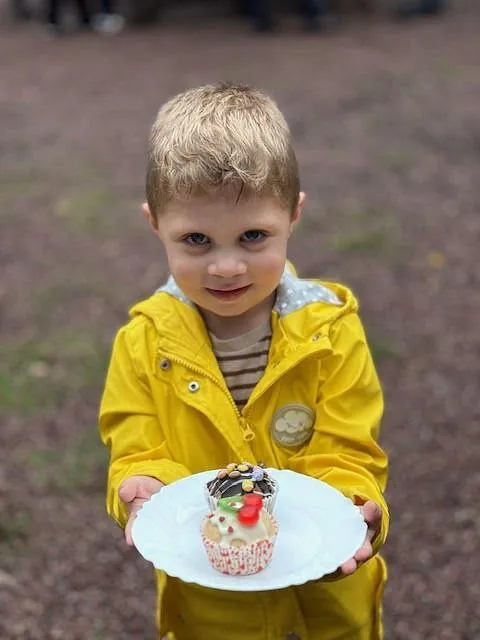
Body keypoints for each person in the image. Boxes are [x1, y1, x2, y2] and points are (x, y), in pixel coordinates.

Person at [99, 83, 389, 640]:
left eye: (253, 235)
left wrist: (353, 505)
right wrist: (144, 484)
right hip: (212, 600)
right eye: (197, 239)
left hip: (329, 595)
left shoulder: (330, 333)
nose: (227, 266)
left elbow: (349, 446)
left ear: (294, 214)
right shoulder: (143, 344)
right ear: (155, 223)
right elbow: (136, 442)